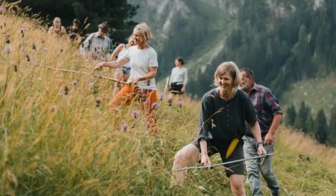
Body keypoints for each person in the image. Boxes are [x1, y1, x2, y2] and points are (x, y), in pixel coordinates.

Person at [170, 62, 266, 196]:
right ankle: (175, 193)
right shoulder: (209, 98)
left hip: (232, 144)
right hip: (210, 140)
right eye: (219, 78)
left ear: (234, 80)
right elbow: (203, 129)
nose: (222, 82)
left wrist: (260, 144)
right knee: (180, 158)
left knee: (238, 186)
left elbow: (253, 123)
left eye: (226, 79)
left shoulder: (243, 98)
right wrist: (203, 154)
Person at [94, 23, 158, 133]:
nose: (134, 38)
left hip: (148, 89)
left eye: (137, 35)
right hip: (131, 86)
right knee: (113, 106)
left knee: (150, 119)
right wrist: (103, 63)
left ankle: (155, 144)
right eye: (134, 35)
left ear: (145, 36)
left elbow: (153, 73)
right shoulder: (131, 50)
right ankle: (117, 131)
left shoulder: (151, 52)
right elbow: (118, 63)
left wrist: (139, 79)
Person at [240, 68, 282, 196]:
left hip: (264, 138)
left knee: (265, 171)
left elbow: (277, 113)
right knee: (252, 171)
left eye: (242, 79)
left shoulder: (264, 92)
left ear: (250, 79)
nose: (239, 82)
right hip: (246, 138)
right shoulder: (238, 95)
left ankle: (275, 191)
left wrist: (271, 134)